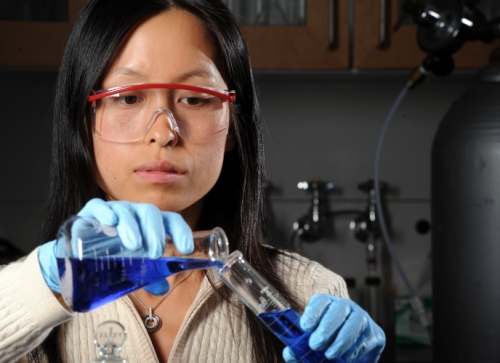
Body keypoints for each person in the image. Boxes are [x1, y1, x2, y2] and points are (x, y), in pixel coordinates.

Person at [0, 1, 385, 362]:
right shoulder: (34, 294)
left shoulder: (309, 298)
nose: (164, 133)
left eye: (195, 99)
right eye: (129, 98)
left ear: (233, 124)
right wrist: (47, 286)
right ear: (84, 123)